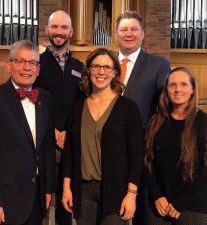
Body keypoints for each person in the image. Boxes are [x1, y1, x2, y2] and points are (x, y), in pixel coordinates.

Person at [0, 40, 56, 225]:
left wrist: (48, 189)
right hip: (3, 201)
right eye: (20, 61)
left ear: (38, 69)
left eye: (33, 63)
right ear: (9, 65)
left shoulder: (46, 99)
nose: (27, 68)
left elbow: (47, 149)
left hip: (37, 199)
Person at [61, 48, 143, 225]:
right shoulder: (77, 107)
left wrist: (131, 194)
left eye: (107, 67)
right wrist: (67, 187)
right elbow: (69, 151)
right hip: (82, 190)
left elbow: (136, 155)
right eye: (96, 66)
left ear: (114, 72)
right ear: (88, 70)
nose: (101, 72)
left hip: (116, 189)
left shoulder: (128, 108)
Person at [115, 10, 171, 225]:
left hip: (142, 150)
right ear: (117, 35)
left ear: (143, 34)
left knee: (142, 215)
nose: (129, 33)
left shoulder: (158, 65)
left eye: (134, 29)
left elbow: (163, 109)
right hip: (108, 149)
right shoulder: (105, 63)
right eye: (124, 29)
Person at [144, 67, 207, 225]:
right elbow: (146, 162)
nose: (178, 89)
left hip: (194, 207)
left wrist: (180, 203)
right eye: (173, 85)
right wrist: (157, 196)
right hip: (159, 206)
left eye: (184, 84)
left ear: (192, 89)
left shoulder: (206, 122)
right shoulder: (155, 122)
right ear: (167, 90)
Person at [34, 10, 84, 225]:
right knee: (42, 199)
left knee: (66, 201)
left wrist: (68, 131)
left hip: (70, 142)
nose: (59, 32)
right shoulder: (36, 63)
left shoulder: (79, 67)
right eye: (55, 26)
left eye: (64, 27)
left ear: (71, 32)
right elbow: (32, 100)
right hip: (44, 140)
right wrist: (53, 128)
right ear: (46, 30)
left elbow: (81, 105)